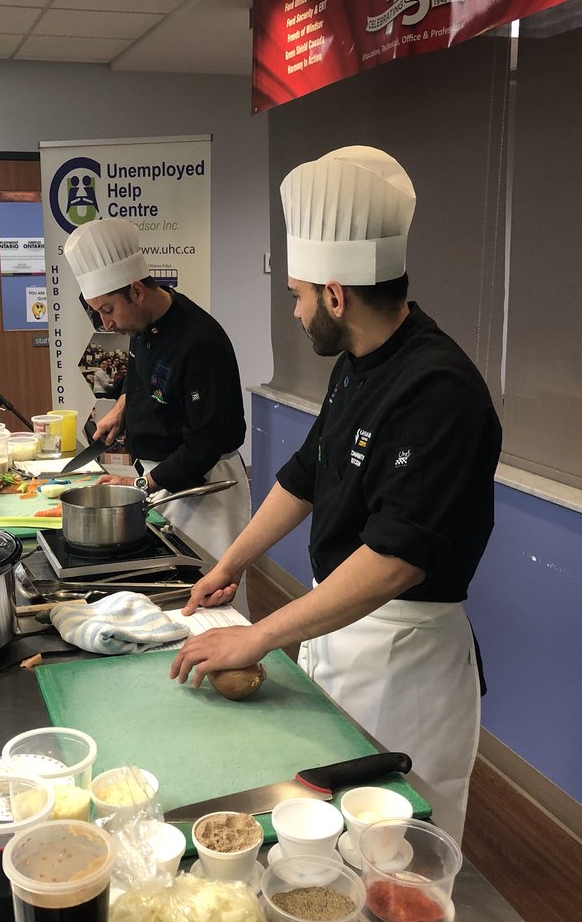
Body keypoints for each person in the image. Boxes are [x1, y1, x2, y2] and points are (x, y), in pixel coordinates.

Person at [170, 146, 502, 844]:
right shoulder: (358, 365)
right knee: (323, 844)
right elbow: (305, 473)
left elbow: (394, 562)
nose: (294, 312)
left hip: (403, 661)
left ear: (335, 293)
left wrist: (257, 637)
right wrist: (230, 565)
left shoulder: (439, 391)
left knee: (393, 855)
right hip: (339, 636)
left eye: (296, 294)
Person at [62, 216, 252, 598]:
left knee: (206, 600)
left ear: (136, 290)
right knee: (163, 594)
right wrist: (123, 406)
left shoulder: (200, 341)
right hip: (162, 483)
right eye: (96, 311)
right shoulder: (141, 326)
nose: (105, 322)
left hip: (203, 493)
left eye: (108, 309)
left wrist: (140, 487)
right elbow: (155, 381)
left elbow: (206, 442)